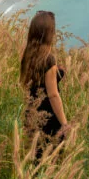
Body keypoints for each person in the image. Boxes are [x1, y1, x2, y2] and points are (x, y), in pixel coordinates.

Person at [20, 10, 71, 157]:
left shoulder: (28, 55)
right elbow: (53, 95)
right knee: (53, 161)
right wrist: (64, 124)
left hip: (32, 113)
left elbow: (29, 84)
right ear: (49, 32)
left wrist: (56, 71)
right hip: (49, 119)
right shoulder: (48, 59)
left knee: (36, 160)